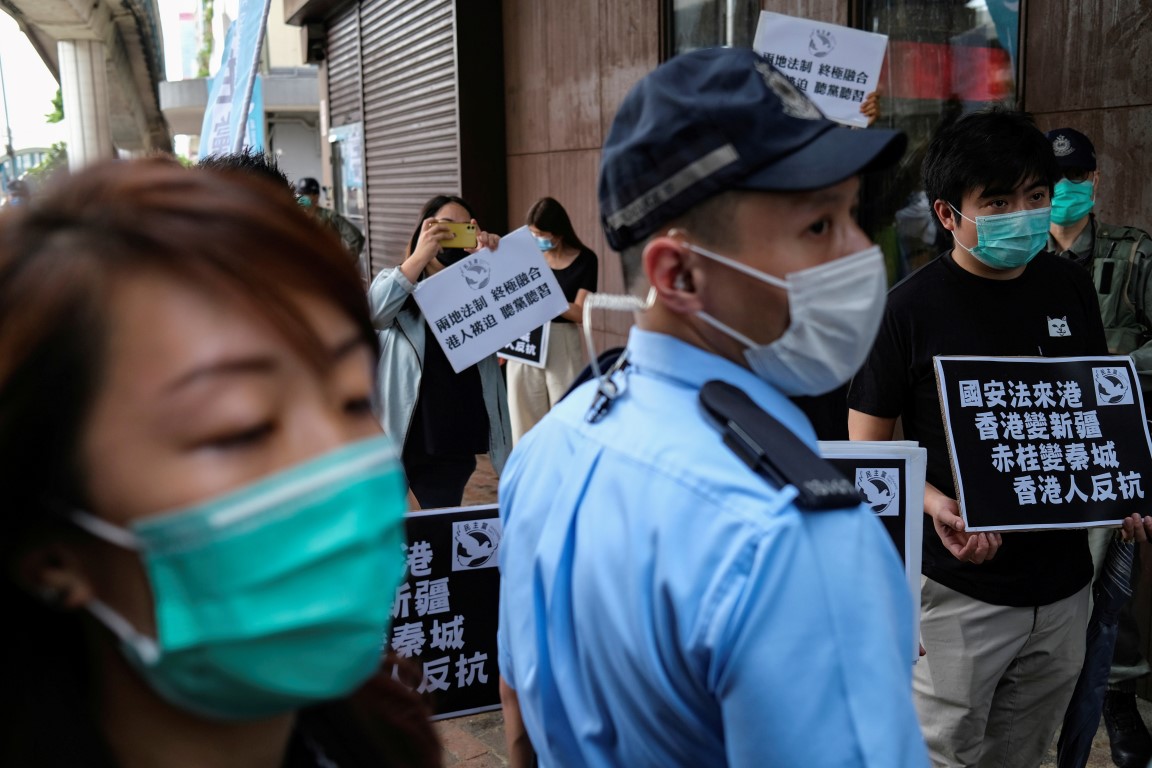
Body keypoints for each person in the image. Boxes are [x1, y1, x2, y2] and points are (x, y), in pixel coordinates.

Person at [497, 47, 927, 767]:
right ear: (680, 273)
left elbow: (519, 728)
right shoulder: (791, 536)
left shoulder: (549, 446)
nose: (861, 255)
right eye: (818, 227)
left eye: (853, 215)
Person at [0, 157, 441, 768]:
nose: (338, 459)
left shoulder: (390, 743)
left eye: (351, 398)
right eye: (242, 426)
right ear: (49, 549)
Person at [848, 108, 1152, 768]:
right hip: (961, 594)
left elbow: (1097, 415)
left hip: (1067, 589)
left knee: (1022, 755)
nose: (1023, 214)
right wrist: (936, 506)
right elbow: (870, 451)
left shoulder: (1070, 287)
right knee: (942, 754)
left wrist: (1125, 489)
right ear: (948, 214)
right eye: (997, 201)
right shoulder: (906, 311)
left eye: (1035, 197)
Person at [1046, 126, 1152, 768]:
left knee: (1112, 576)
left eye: (1075, 178)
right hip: (1040, 442)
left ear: (1094, 181)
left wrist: (1116, 370)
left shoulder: (1133, 254)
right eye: (1051, 181)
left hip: (1115, 443)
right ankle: (1058, 694)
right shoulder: (1023, 255)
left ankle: (1115, 695)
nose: (1064, 191)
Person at [367, 194, 511, 509]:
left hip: (452, 436)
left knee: (432, 532)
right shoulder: (399, 285)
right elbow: (374, 313)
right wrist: (419, 256)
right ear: (423, 231)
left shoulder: (481, 289)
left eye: (463, 230)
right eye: (444, 229)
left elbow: (517, 320)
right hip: (402, 435)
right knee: (402, 536)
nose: (452, 238)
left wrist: (495, 263)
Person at [506, 197, 598, 443]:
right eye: (533, 234)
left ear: (558, 233)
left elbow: (580, 312)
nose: (538, 240)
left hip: (561, 340)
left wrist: (545, 295)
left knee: (565, 410)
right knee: (522, 415)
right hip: (526, 338)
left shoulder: (586, 259)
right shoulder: (527, 254)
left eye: (542, 234)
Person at [295, 176, 366, 263]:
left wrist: (344, 264)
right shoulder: (296, 219)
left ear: (316, 197)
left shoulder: (331, 217)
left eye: (305, 195)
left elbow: (357, 239)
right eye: (299, 195)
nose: (301, 198)